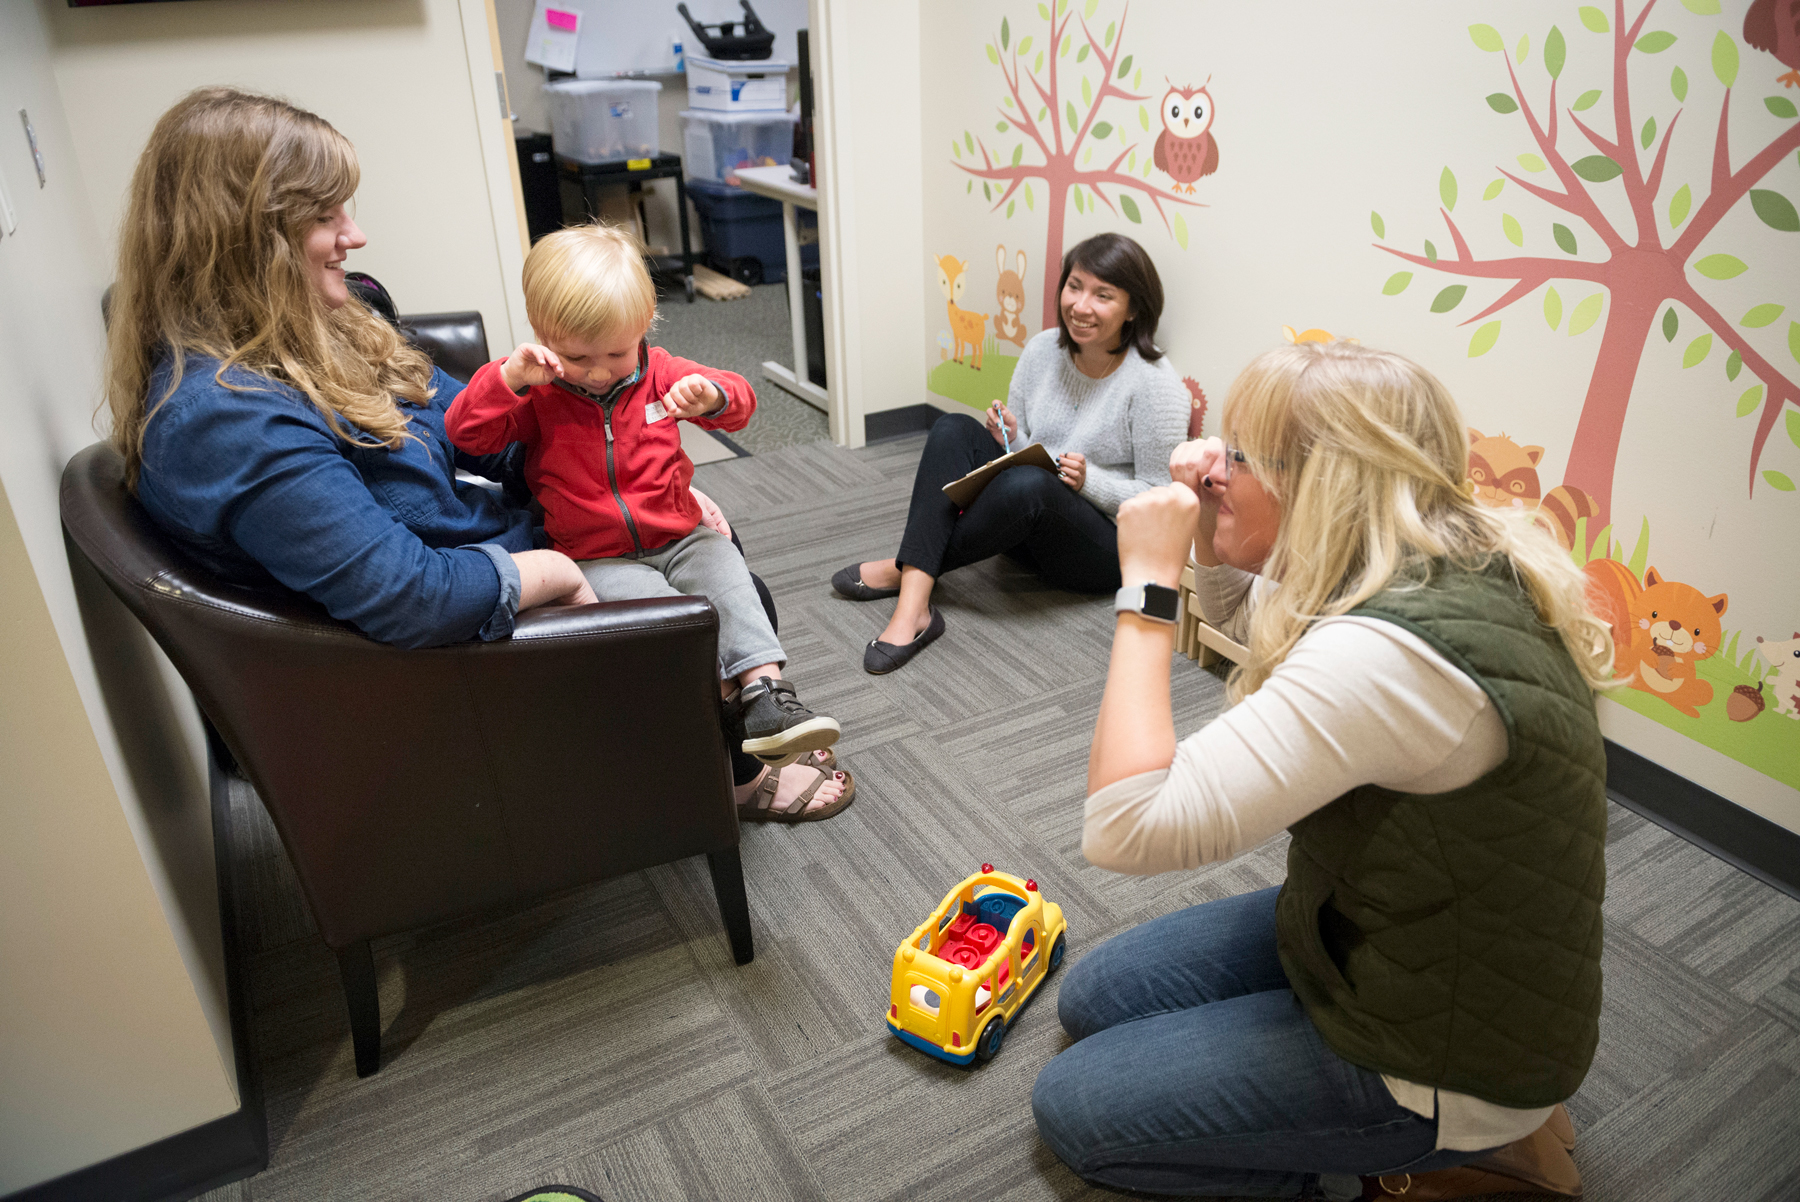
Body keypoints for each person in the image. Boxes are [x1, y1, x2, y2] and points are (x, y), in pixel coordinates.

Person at [107, 87, 846, 822]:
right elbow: (408, 596)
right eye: (325, 216)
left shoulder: (325, 324)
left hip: (511, 545)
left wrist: (627, 480)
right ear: (244, 239)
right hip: (449, 652)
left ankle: (730, 741)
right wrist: (557, 566)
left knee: (714, 556)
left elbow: (475, 431)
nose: (355, 234)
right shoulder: (227, 420)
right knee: (712, 611)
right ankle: (730, 788)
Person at [1031, 340, 1610, 1200]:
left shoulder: (1387, 656)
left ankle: (1391, 1171)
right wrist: (1211, 543)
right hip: (1380, 923)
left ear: (1321, 484)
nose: (1213, 468)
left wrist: (1146, 586)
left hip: (1442, 1052)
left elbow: (1126, 827)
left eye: (1239, 455)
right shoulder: (1402, 553)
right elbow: (1243, 648)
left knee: (1074, 1109)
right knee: (1096, 998)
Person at [446, 223, 850, 821]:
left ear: (645, 326)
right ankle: (726, 706)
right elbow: (465, 435)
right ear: (542, 335)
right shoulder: (536, 393)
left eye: (616, 352)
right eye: (578, 356)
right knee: (668, 613)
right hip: (596, 558)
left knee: (728, 572)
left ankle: (767, 694)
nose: (600, 371)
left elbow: (741, 402)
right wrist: (506, 379)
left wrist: (711, 396)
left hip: (680, 534)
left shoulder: (658, 369)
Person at [832, 233, 1189, 674]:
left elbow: (1163, 498)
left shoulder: (1155, 384)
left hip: (1105, 552)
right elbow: (1028, 457)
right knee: (952, 428)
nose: (1080, 305)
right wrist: (1012, 439)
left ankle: (907, 580)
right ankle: (917, 600)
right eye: (1074, 286)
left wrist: (1090, 481)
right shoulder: (1042, 349)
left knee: (1031, 485)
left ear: (1133, 308)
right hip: (1026, 525)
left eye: (1103, 295)